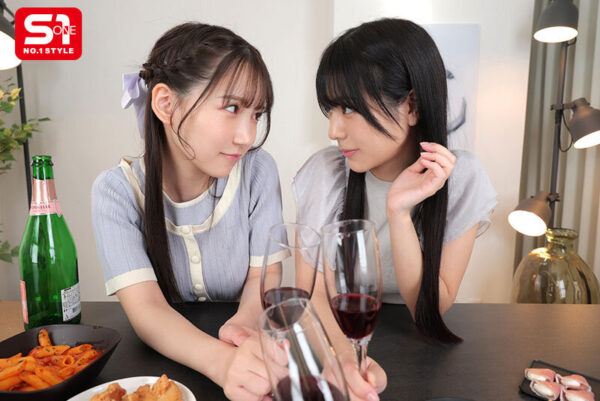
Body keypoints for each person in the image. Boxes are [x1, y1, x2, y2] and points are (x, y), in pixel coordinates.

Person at [91, 22, 285, 401]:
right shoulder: (115, 192)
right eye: (232, 107)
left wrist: (246, 324)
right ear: (166, 104)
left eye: (256, 114)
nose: (247, 136)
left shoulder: (258, 170)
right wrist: (222, 363)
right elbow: (146, 309)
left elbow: (264, 277)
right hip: (160, 376)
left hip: (246, 360)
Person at [294, 16, 497, 364]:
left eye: (349, 108)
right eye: (331, 109)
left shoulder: (460, 179)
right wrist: (349, 362)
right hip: (338, 339)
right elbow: (312, 297)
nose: (333, 130)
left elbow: (429, 310)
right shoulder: (325, 174)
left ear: (412, 106)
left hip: (417, 347)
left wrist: (399, 212)